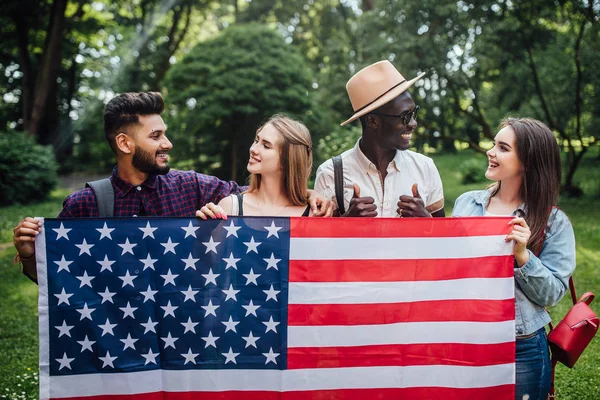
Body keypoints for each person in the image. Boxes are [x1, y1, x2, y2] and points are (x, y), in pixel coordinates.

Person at [13, 93, 332, 283]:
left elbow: (258, 195)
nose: (168, 143)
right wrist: (29, 256)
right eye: (155, 137)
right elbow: (57, 284)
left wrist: (308, 194)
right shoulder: (84, 205)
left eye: (164, 133)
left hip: (181, 351)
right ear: (124, 143)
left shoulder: (191, 186)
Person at [452, 117, 576, 400]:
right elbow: (453, 270)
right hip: (467, 337)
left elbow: (553, 293)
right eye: (494, 144)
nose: (490, 151)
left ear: (528, 162)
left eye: (502, 147)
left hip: (521, 346)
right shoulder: (466, 204)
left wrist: (523, 256)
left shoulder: (554, 222)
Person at [314, 60, 445, 218]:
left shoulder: (425, 168)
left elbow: (443, 240)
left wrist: (426, 220)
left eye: (414, 113)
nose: (413, 123)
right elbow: (321, 241)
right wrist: (346, 222)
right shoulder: (330, 174)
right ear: (372, 121)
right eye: (405, 116)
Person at [197, 114, 313, 218]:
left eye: (266, 146)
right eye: (256, 141)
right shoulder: (230, 207)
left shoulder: (314, 214)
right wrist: (207, 229)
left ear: (288, 160)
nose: (253, 149)